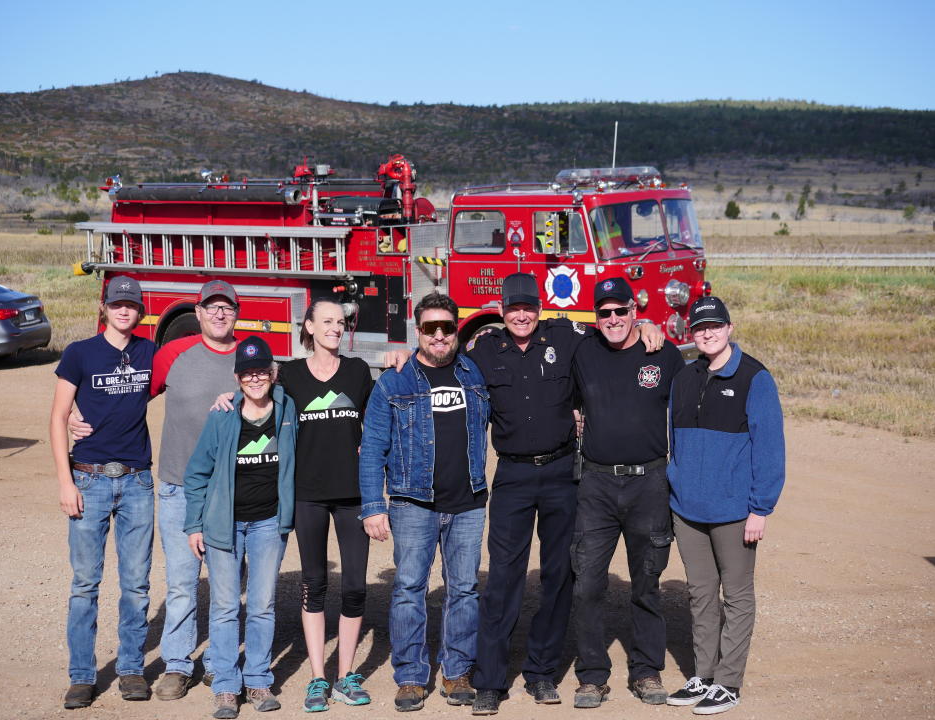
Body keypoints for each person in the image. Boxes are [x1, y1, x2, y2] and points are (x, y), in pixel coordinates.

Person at [464, 273, 664, 715]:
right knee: (503, 577)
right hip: (513, 476)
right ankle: (490, 680)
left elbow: (615, 330)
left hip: (560, 473)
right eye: (513, 308)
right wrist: (403, 358)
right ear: (501, 310)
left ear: (539, 309)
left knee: (560, 576)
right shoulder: (481, 352)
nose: (521, 315)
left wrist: (649, 323)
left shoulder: (567, 338)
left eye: (529, 308)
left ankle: (541, 673)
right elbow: (440, 365)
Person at [69, 278, 241, 700]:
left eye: (227, 307)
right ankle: (178, 665)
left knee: (226, 585)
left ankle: (220, 666)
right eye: (211, 307)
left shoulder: (251, 355)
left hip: (231, 489)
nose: (219, 314)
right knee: (182, 583)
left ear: (237, 313)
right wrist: (76, 415)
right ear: (197, 313)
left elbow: (281, 385)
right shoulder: (170, 353)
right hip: (178, 486)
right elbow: (124, 396)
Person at [359, 292, 490, 713]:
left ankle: (456, 672)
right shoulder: (394, 380)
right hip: (412, 502)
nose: (439, 335)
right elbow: (373, 445)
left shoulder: (475, 373)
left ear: (457, 330)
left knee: (464, 590)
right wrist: (372, 505)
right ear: (418, 332)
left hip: (468, 501)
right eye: (430, 328)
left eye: (446, 327)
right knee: (408, 589)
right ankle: (412, 676)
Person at [665, 297, 785, 715]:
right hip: (688, 511)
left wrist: (760, 509)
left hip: (735, 513)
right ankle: (704, 674)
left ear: (730, 328)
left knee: (735, 597)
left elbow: (770, 450)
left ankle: (728, 682)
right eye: (699, 328)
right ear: (691, 333)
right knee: (700, 596)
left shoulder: (755, 378)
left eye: (715, 326)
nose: (707, 333)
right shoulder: (684, 377)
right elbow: (673, 442)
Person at [569, 277, 684, 708]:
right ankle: (592, 675)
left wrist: (656, 324)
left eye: (621, 310)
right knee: (587, 583)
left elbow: (690, 400)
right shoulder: (584, 351)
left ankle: (646, 670)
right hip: (597, 484)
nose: (613, 319)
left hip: (649, 483)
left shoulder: (663, 353)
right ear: (595, 316)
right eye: (605, 312)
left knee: (647, 582)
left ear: (635, 309)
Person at [49, 275, 156, 709]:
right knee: (85, 584)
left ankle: (131, 669)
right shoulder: (79, 354)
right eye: (117, 305)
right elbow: (58, 418)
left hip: (137, 481)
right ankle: (81, 676)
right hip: (89, 479)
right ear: (105, 309)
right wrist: (64, 481)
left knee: (136, 585)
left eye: (131, 305)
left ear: (139, 310)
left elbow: (193, 370)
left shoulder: (150, 352)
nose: (124, 311)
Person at [183, 336, 296, 719]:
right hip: (224, 525)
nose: (255, 379)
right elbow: (197, 473)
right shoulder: (223, 414)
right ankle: (227, 687)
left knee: (262, 605)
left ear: (273, 373)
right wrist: (193, 524)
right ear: (237, 378)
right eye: (247, 373)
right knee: (226, 606)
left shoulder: (286, 408)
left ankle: (259, 678)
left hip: (268, 523)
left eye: (261, 371)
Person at [277, 299, 374, 711]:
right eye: (327, 321)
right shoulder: (291, 375)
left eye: (340, 321)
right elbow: (259, 407)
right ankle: (318, 677)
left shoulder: (357, 371)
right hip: (308, 495)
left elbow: (381, 420)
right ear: (309, 326)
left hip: (353, 495)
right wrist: (226, 401)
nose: (335, 327)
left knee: (354, 586)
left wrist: (404, 358)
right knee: (313, 584)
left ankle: (345, 675)